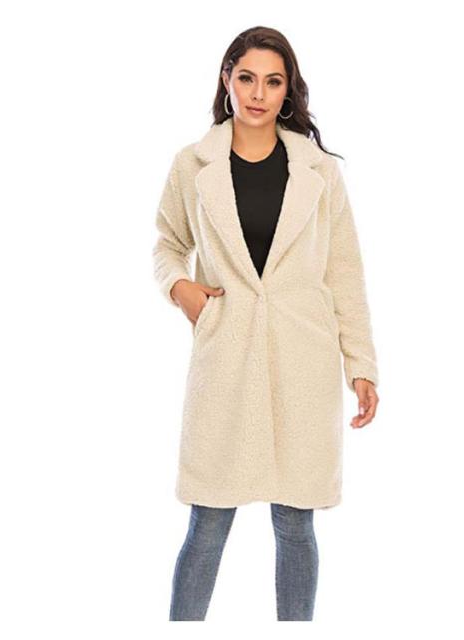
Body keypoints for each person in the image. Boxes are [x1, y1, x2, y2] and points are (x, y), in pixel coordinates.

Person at [153, 26, 380, 621]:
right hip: (226, 357)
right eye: (247, 78)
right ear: (226, 79)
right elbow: (167, 243)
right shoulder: (193, 164)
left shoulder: (318, 170)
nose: (258, 94)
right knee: (208, 521)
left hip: (303, 357)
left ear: (288, 90)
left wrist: (361, 365)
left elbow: (345, 271)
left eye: (273, 82)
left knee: (296, 524)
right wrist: (181, 289)